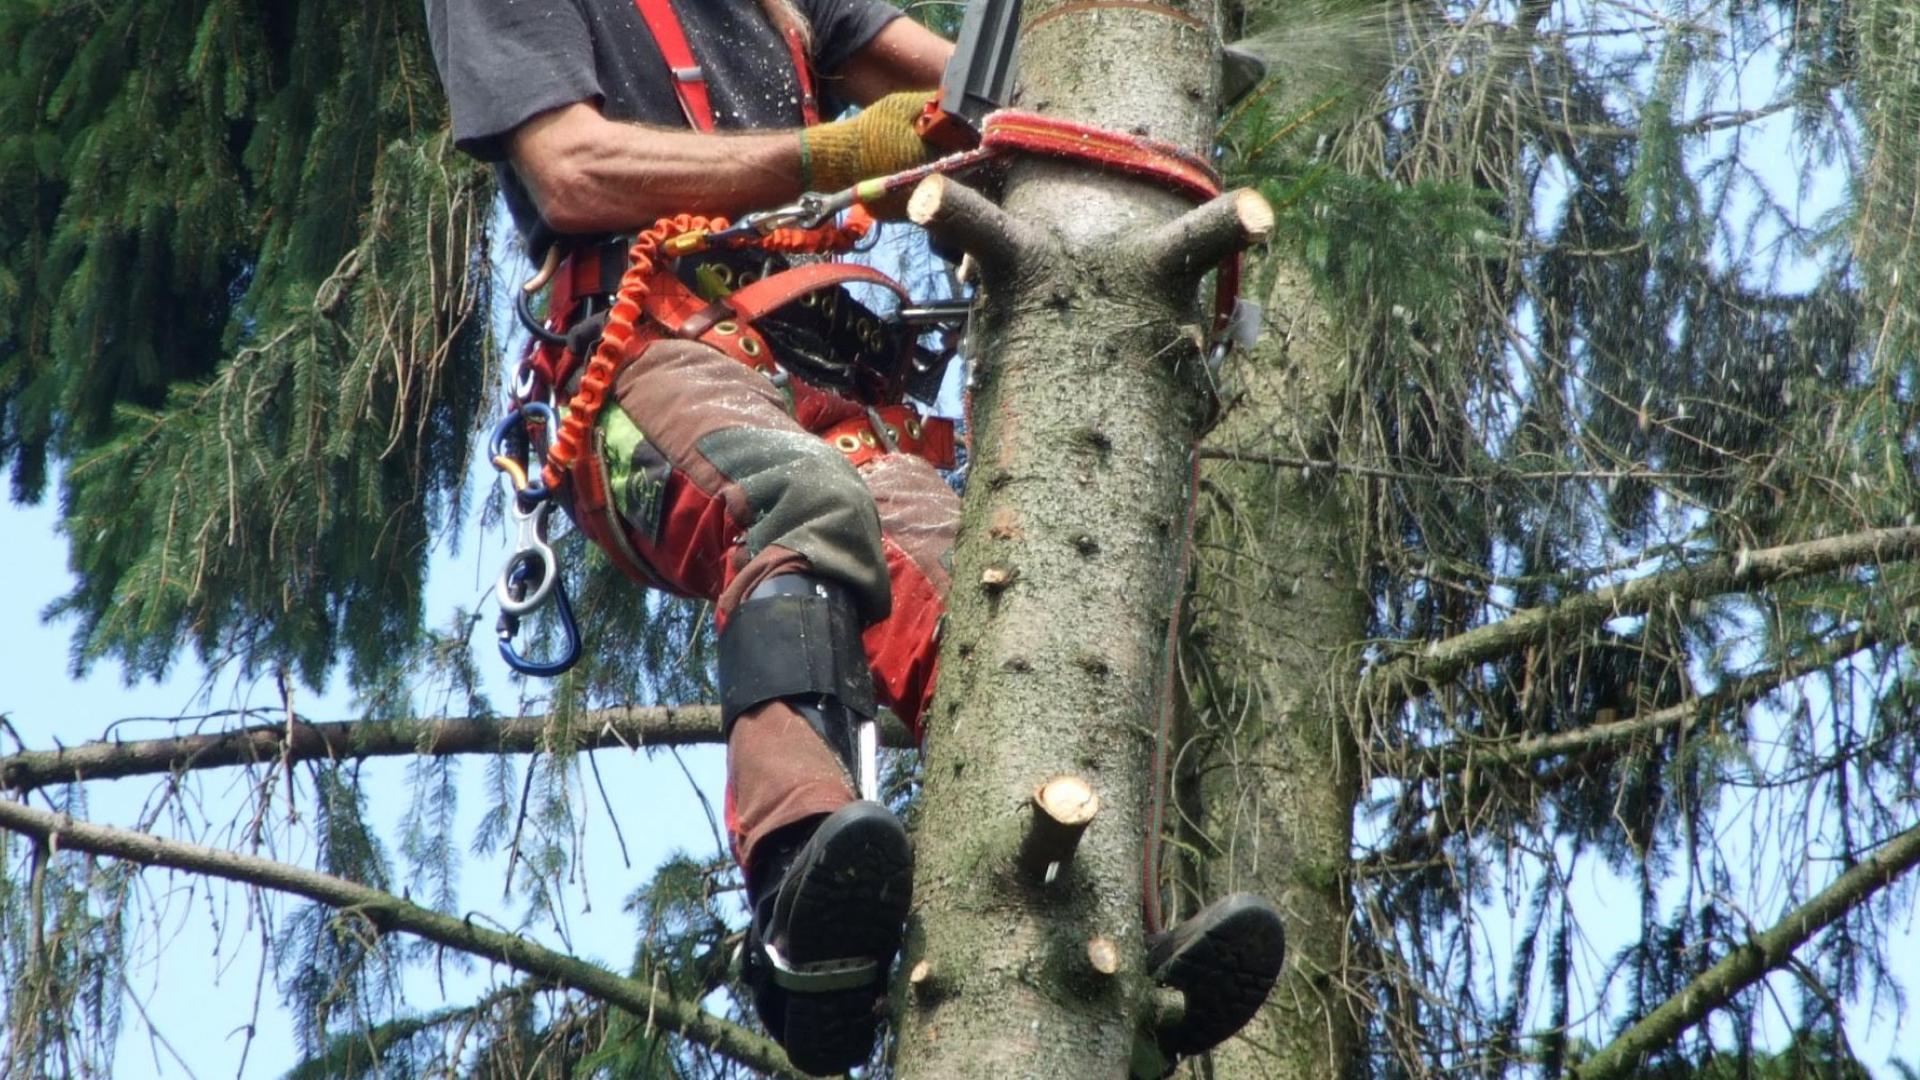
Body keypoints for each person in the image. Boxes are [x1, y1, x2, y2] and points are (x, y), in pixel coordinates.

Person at [425, 1, 1285, 1073]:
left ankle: (1111, 929)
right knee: (802, 500)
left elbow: (992, 90)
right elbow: (571, 169)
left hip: (828, 395)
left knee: (1001, 584)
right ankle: (796, 902)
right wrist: (830, 152)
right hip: (646, 359)